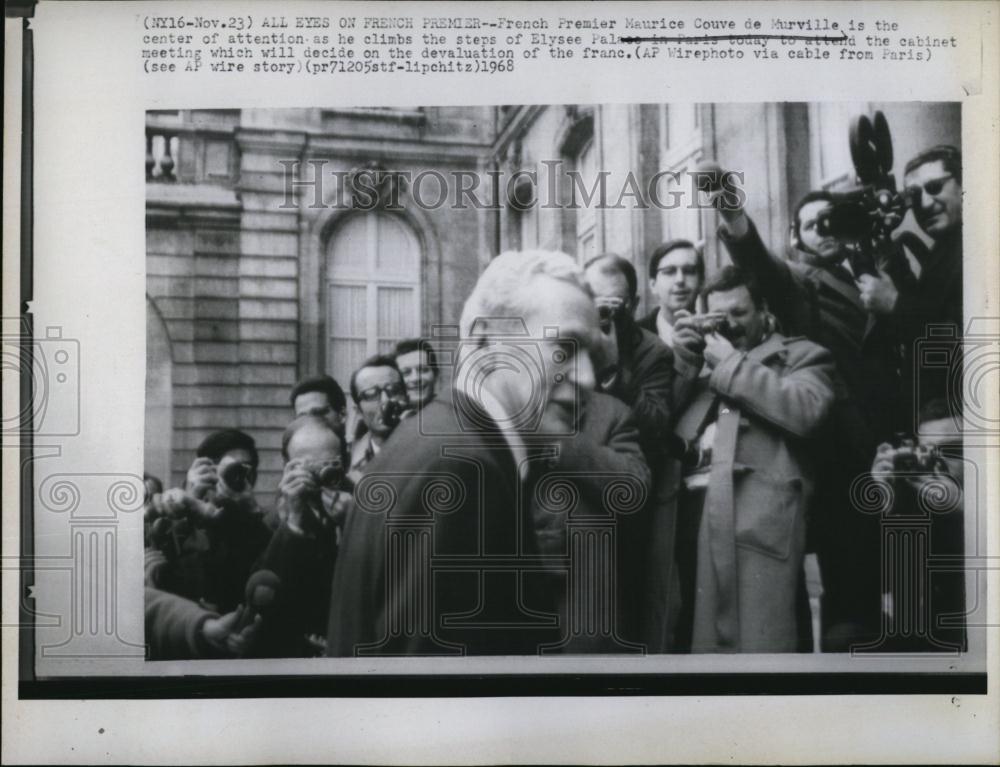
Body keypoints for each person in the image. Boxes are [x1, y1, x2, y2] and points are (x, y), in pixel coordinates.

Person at [265, 249, 602, 656]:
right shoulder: (462, 469)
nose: (587, 378)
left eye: (593, 356)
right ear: (484, 340)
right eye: (565, 347)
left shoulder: (438, 444)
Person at [699, 162, 906, 649]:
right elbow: (759, 264)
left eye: (834, 219)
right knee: (852, 597)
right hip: (842, 460)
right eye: (814, 224)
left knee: (913, 585)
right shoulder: (799, 284)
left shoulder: (881, 273)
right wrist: (730, 209)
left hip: (897, 447)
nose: (826, 230)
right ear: (796, 238)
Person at [670, 266, 836, 652]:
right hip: (686, 528)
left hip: (754, 531)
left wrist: (730, 365)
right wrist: (682, 362)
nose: (729, 325)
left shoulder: (803, 356)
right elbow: (659, 426)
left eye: (739, 313)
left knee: (761, 653)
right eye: (717, 317)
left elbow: (806, 411)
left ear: (764, 310)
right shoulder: (701, 362)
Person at [583, 253, 678, 645]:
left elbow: (655, 423)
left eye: (613, 305)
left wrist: (612, 369)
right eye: (594, 302)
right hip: (574, 492)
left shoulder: (653, 352)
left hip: (628, 500)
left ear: (634, 305)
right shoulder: (565, 338)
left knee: (626, 612)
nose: (602, 313)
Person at [858, 145, 963, 419]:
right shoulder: (946, 247)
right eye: (915, 196)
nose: (926, 203)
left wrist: (895, 304)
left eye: (935, 187)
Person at [868, 398, 966, 652]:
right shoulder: (915, 499)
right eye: (929, 452)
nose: (939, 464)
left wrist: (966, 511)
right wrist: (885, 502)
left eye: (954, 451)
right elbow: (873, 586)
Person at [253, 415, 354, 657]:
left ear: (345, 462)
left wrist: (353, 524)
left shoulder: (364, 508)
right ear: (286, 466)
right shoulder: (269, 523)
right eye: (306, 467)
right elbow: (262, 599)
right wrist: (294, 524)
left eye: (328, 465)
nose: (319, 477)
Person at [146, 429, 272, 613]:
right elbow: (161, 571)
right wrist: (189, 502)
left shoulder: (261, 523)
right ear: (206, 471)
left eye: (244, 469)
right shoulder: (180, 512)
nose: (237, 476)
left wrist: (250, 513)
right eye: (228, 469)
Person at [346, 355, 411, 483]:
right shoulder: (349, 463)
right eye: (371, 394)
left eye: (393, 390)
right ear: (358, 410)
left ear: (406, 398)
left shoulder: (429, 449)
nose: (385, 401)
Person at [638, 239, 704, 351]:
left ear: (702, 283)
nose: (680, 280)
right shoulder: (634, 336)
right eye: (669, 271)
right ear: (653, 285)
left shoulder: (715, 336)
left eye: (689, 271)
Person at [393, 338, 439, 409]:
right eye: (405, 373)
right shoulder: (389, 416)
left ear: (435, 374)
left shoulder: (451, 413)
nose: (415, 378)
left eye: (423, 370)